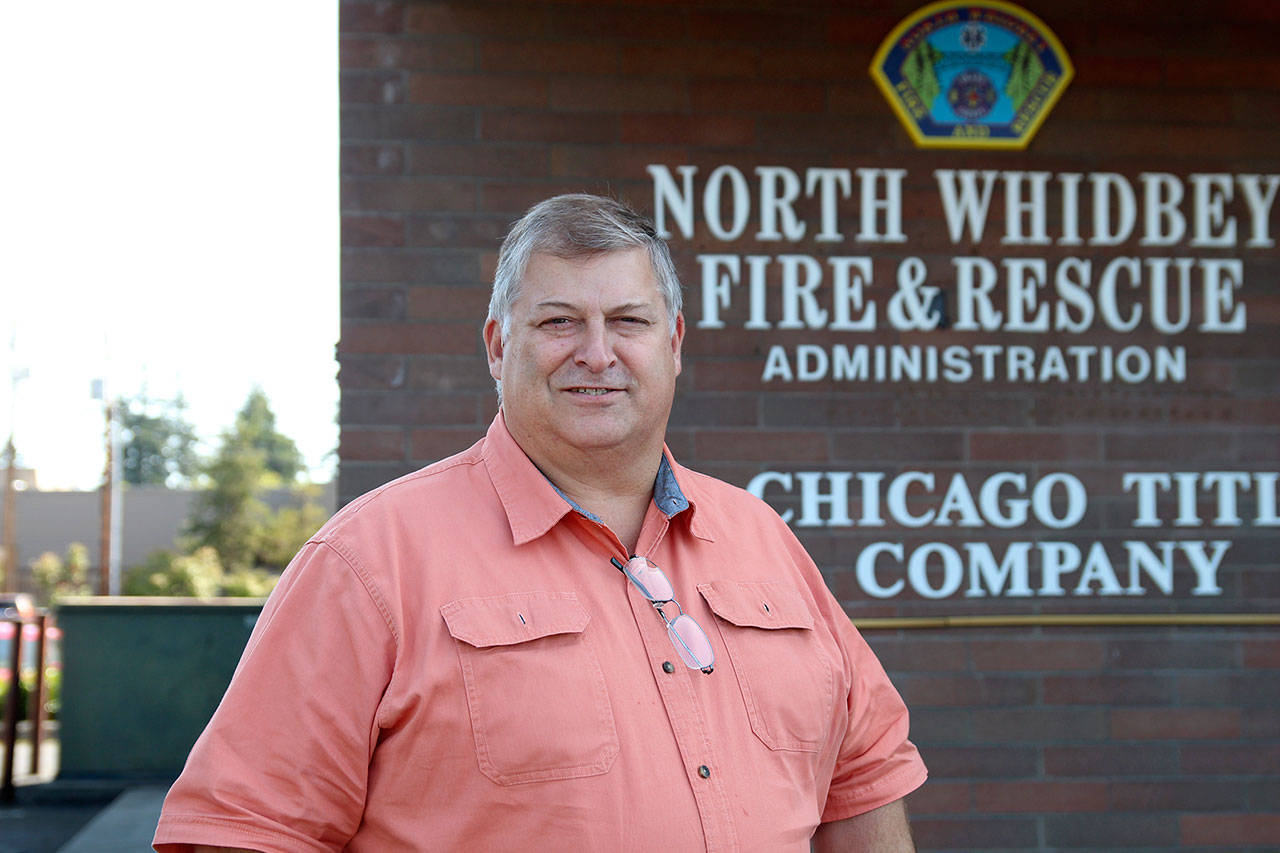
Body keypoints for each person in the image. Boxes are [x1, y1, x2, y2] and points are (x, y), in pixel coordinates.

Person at [154, 194, 926, 852]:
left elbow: (862, 781)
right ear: (497, 346)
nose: (597, 352)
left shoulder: (764, 542)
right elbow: (247, 828)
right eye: (559, 322)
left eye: (629, 319)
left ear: (674, 344)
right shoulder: (368, 562)